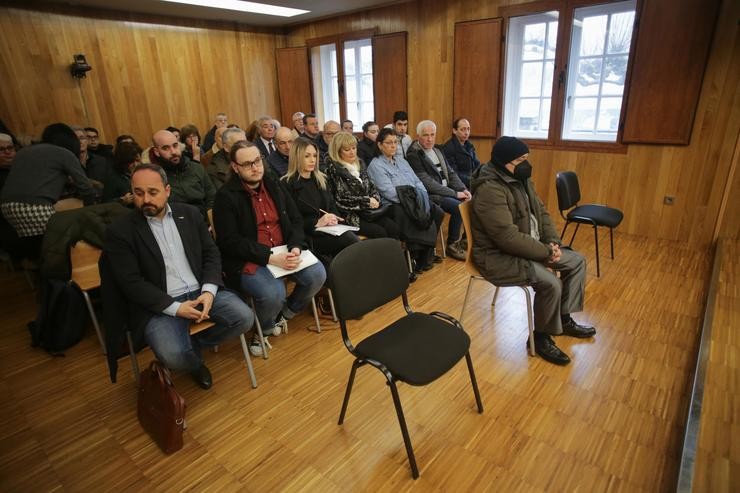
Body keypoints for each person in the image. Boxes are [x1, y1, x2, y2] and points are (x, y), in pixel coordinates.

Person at [104, 163, 254, 389]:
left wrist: (209, 291)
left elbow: (211, 253)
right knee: (174, 356)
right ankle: (194, 363)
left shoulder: (190, 214)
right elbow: (131, 283)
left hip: (201, 290)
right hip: (161, 303)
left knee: (244, 318)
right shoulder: (120, 231)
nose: (145, 199)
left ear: (167, 190)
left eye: (153, 192)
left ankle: (192, 345)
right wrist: (176, 308)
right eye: (138, 193)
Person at [470, 136, 596, 366]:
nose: (525, 164)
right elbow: (506, 238)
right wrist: (546, 253)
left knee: (577, 261)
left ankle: (563, 317)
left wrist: (553, 243)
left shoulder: (521, 178)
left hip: (532, 246)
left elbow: (542, 213)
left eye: (526, 158)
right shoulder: (489, 189)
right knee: (551, 283)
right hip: (498, 257)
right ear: (502, 161)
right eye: (520, 159)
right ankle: (540, 338)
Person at [212, 141, 326, 355]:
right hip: (251, 258)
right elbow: (230, 242)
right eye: (247, 164)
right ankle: (262, 329)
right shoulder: (226, 197)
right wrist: (269, 257)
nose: (255, 168)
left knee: (318, 274)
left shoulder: (274, 184)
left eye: (257, 161)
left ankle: (285, 314)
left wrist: (295, 247)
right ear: (235, 167)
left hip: (284, 251)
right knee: (273, 292)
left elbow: (295, 220)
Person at [1, 123, 95, 258]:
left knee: (42, 249)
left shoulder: (23, 152)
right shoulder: (63, 153)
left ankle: (38, 268)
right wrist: (91, 208)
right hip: (34, 207)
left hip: (7, 208)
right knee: (59, 248)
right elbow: (86, 187)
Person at [367, 128, 443, 276]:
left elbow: (417, 181)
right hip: (394, 203)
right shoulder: (375, 165)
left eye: (395, 142)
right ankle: (415, 256)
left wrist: (422, 196)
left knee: (436, 211)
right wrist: (413, 201)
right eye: (389, 143)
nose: (393, 146)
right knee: (408, 215)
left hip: (414, 199)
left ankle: (425, 253)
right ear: (380, 145)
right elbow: (389, 192)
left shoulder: (402, 161)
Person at [282, 136, 359, 266]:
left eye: (315, 156)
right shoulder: (287, 184)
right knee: (351, 241)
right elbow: (292, 221)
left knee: (351, 239)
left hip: (329, 231)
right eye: (307, 156)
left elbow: (332, 206)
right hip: (308, 236)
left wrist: (334, 217)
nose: (312, 160)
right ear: (297, 157)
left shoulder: (321, 179)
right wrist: (317, 222)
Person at [406, 120, 470, 261]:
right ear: (418, 136)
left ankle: (465, 240)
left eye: (432, 135)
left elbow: (451, 173)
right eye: (425, 135)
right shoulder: (413, 154)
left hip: (446, 190)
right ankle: (452, 245)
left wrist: (463, 189)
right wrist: (454, 193)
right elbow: (427, 183)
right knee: (459, 207)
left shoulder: (437, 150)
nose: (430, 139)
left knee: (470, 201)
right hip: (432, 195)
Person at [326, 131, 399, 239]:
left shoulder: (359, 164)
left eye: (354, 148)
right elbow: (341, 200)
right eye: (347, 149)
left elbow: (372, 187)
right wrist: (367, 201)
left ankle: (394, 256)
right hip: (350, 216)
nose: (352, 152)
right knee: (379, 232)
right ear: (338, 152)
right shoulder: (334, 170)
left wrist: (374, 199)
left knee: (394, 228)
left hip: (369, 213)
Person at [151, 129, 215, 218]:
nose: (173, 152)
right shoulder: (155, 177)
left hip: (204, 221)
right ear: (157, 152)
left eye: (175, 146)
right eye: (166, 148)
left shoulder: (196, 168)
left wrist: (210, 221)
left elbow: (211, 196)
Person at [442, 117, 480, 188]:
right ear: (454, 131)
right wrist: (474, 181)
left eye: (468, 129)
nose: (466, 133)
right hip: (460, 185)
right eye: (463, 129)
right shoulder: (448, 148)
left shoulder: (469, 145)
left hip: (472, 181)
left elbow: (477, 164)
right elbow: (454, 174)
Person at [102, 141, 141, 205]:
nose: (135, 164)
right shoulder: (113, 177)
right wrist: (121, 201)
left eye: (137, 160)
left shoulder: (144, 172)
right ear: (123, 161)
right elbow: (105, 203)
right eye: (131, 161)